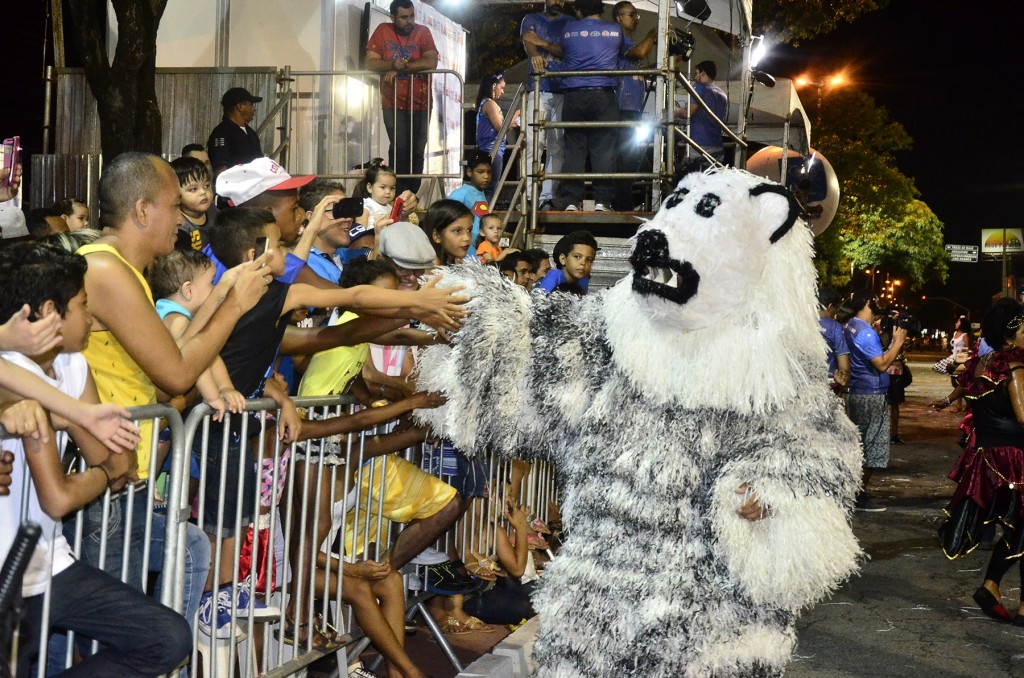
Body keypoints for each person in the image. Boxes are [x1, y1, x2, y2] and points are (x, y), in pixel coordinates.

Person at [0, 242, 192, 677]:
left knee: (164, 637)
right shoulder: (10, 367)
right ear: (50, 311)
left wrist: (93, 449)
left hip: (52, 563)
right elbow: (59, 497)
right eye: (83, 306)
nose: (91, 318)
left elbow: (119, 457)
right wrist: (104, 471)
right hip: (8, 574)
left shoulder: (72, 364)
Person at [939, 301, 1024, 624]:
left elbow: (967, 389)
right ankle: (991, 585)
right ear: (1011, 334)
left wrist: (947, 399)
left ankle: (1005, 595)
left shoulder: (981, 362)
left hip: (988, 455)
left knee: (1018, 525)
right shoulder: (1015, 366)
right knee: (1019, 525)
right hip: (1014, 457)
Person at [527, 0, 650, 212]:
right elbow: (633, 54)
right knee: (603, 150)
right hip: (604, 95)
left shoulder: (569, 29)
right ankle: (603, 202)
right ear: (600, 8)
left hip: (573, 95)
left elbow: (561, 51)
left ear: (577, 10)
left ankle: (570, 201)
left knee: (574, 150)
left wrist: (542, 44)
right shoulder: (615, 29)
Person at [365, 0, 438, 194]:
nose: (409, 21)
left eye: (412, 16)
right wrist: (391, 65)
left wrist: (401, 67)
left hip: (422, 102)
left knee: (418, 149)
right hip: (393, 101)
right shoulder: (382, 30)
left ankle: (411, 194)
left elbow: (432, 61)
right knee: (400, 147)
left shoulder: (423, 32)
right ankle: (397, 192)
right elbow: (370, 63)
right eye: (404, 17)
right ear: (393, 17)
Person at [843, 289, 906, 512]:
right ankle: (856, 495)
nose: (881, 303)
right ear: (869, 302)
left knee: (858, 446)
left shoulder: (851, 325)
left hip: (857, 391)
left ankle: (852, 492)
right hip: (869, 394)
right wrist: (898, 342)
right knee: (871, 449)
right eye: (877, 300)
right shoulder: (865, 333)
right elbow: (880, 364)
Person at [520, 0, 572, 210]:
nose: (557, 2)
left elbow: (565, 51)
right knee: (533, 142)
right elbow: (527, 41)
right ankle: (530, 193)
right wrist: (535, 52)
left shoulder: (570, 22)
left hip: (563, 89)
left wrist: (540, 43)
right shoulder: (531, 19)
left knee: (557, 145)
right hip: (538, 88)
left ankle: (548, 196)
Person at [611, 1, 657, 211]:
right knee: (625, 156)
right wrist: (653, 34)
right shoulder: (617, 39)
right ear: (619, 17)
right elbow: (639, 53)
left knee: (630, 156)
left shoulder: (626, 40)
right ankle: (621, 202)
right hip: (622, 105)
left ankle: (623, 199)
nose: (636, 18)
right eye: (632, 14)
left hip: (630, 105)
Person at [351, 159, 419, 263]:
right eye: (383, 187)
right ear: (369, 187)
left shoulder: (391, 207)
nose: (388, 192)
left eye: (392, 188)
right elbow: (361, 232)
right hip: (372, 246)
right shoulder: (366, 205)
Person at [475, 73, 519, 202]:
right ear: (494, 86)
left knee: (488, 189)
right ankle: (482, 216)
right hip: (491, 150)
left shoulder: (487, 103)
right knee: (490, 189)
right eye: (501, 87)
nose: (503, 91)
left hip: (490, 150)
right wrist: (516, 113)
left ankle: (481, 216)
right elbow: (501, 128)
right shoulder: (490, 104)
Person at [674, 60, 729, 162]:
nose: (695, 77)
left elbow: (688, 113)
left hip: (699, 146)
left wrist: (674, 111)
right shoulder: (722, 94)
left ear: (703, 73)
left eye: (696, 73)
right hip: (717, 146)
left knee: (688, 176)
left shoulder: (699, 87)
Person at [207, 87, 264, 176]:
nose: (254, 109)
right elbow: (221, 169)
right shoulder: (221, 133)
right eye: (251, 104)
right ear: (240, 106)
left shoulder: (250, 133)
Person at [170, 156, 216, 251]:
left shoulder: (216, 214)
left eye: (206, 186)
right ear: (175, 193)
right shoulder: (178, 226)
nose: (203, 192)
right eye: (193, 189)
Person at [448, 151, 493, 247]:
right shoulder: (460, 194)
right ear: (469, 172)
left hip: (478, 253)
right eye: (480, 172)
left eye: (489, 172)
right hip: (465, 254)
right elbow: (448, 224)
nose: (486, 176)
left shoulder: (480, 194)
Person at [535, 230, 597, 294]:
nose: (583, 263)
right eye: (577, 257)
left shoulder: (583, 280)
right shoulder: (555, 275)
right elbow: (539, 300)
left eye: (589, 260)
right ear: (563, 259)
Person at [423, 199, 474, 266]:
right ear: (437, 236)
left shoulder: (455, 262)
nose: (467, 238)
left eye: (469, 230)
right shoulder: (432, 271)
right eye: (457, 231)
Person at [818, 286, 850, 393]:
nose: (836, 312)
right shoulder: (834, 327)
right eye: (836, 308)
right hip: (827, 387)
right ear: (829, 306)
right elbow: (844, 367)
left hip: (802, 386)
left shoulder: (798, 324)